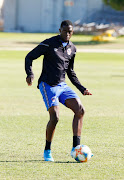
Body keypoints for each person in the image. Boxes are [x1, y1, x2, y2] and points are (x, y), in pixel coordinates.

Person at [25, 20, 92, 162]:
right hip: (47, 84)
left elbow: (70, 71)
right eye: (65, 31)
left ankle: (76, 148)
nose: (68, 34)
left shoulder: (72, 49)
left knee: (80, 110)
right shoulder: (49, 43)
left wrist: (82, 88)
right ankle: (47, 150)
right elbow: (29, 57)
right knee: (55, 117)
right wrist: (30, 74)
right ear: (59, 30)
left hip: (62, 85)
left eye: (70, 32)